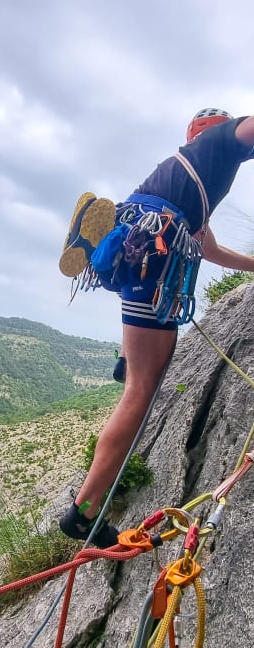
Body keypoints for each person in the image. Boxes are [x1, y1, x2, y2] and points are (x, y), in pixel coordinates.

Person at [59, 109, 254, 547]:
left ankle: (126, 357)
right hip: (159, 253)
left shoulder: (189, 183)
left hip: (143, 241)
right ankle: (83, 512)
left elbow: (212, 252)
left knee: (140, 374)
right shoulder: (219, 143)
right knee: (142, 391)